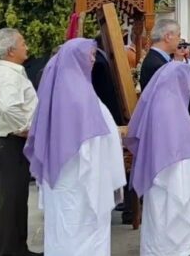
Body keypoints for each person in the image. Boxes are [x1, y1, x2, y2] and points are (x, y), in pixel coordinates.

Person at [24, 38, 126, 256]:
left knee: (64, 231)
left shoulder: (60, 91)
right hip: (83, 180)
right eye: (90, 55)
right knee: (82, 233)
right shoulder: (80, 96)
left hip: (63, 180)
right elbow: (91, 142)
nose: (93, 60)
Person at [125, 61, 190, 256]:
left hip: (160, 175)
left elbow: (176, 127)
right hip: (171, 177)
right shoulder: (168, 105)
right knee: (171, 226)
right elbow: (178, 139)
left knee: (158, 221)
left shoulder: (162, 101)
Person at [0, 28, 41, 256]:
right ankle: (6, 251)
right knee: (11, 200)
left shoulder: (9, 72)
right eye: (23, 43)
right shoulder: (7, 76)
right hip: (9, 143)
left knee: (16, 199)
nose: (26, 47)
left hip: (5, 143)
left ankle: (17, 247)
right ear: (10, 50)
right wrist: (26, 128)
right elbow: (9, 107)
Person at [139, 19, 181, 91]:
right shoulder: (157, 64)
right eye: (178, 35)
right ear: (168, 37)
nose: (180, 39)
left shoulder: (156, 58)